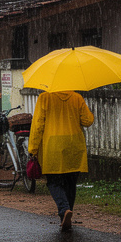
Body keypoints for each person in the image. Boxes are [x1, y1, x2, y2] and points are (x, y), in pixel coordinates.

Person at [28, 90, 95, 231]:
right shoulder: (77, 98)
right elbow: (88, 121)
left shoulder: (44, 98)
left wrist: (33, 149)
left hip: (53, 146)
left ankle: (64, 210)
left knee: (54, 182)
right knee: (71, 182)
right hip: (74, 144)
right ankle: (67, 215)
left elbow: (38, 124)